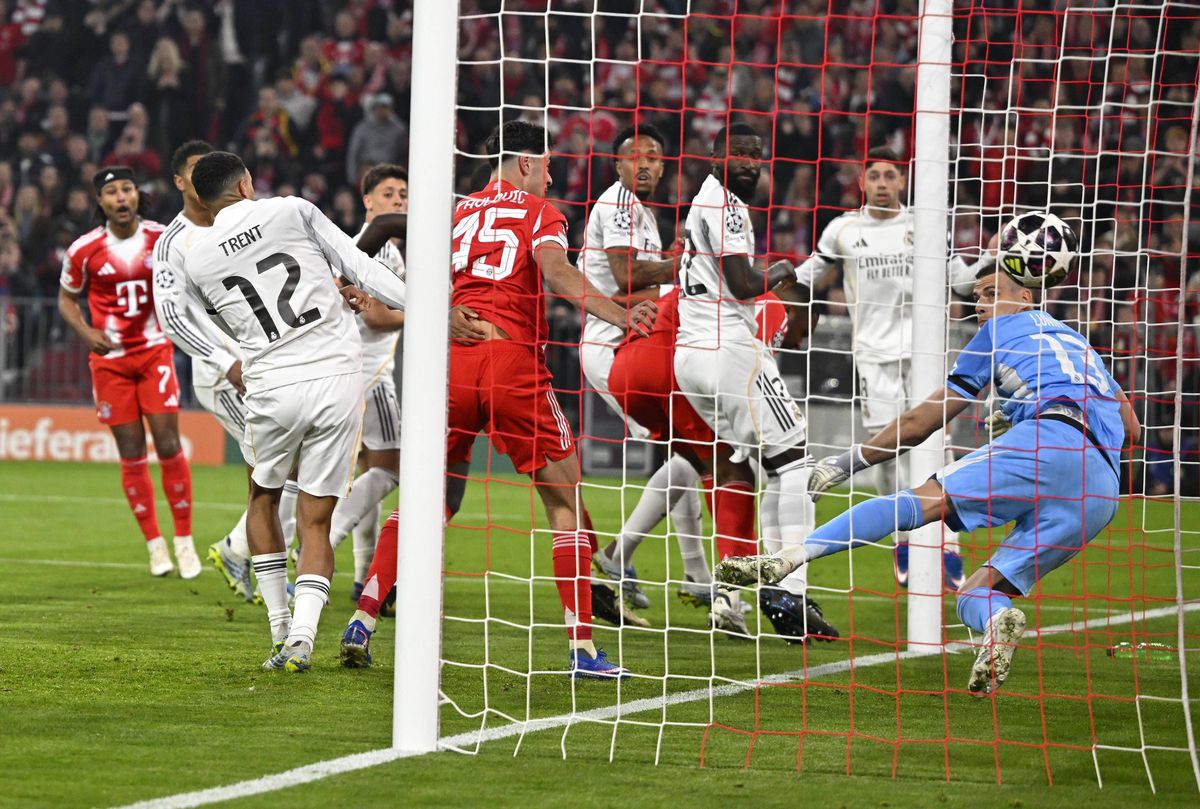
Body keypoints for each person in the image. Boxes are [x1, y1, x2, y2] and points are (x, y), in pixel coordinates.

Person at [716, 266, 1138, 695]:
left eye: (991, 293)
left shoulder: (996, 333)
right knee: (975, 593)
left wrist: (847, 463)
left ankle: (791, 558)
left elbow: (920, 424)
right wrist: (1022, 413)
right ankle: (998, 620)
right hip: (1102, 488)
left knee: (917, 504)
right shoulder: (1082, 346)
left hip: (1048, 441)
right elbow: (1132, 429)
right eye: (977, 296)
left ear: (1026, 297)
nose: (980, 305)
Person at [340, 121, 656, 679]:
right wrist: (620, 314)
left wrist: (392, 295)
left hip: (451, 367)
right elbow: (557, 273)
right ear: (527, 164)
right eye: (549, 165)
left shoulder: (455, 211)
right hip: (511, 363)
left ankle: (363, 617)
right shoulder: (541, 212)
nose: (551, 177)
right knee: (565, 502)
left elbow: (390, 235)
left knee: (429, 498)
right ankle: (583, 650)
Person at [177, 151, 409, 674]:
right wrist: (428, 304)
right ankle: (304, 635)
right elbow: (361, 267)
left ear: (203, 201)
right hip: (336, 376)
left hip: (271, 384)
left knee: (263, 496)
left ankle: (280, 630)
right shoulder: (291, 210)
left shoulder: (197, 258)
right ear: (245, 185)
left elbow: (232, 317)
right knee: (316, 518)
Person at [793, 146, 986, 589]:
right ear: (863, 183)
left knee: (938, 449)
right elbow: (807, 275)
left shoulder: (925, 225)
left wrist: (991, 260)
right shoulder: (843, 230)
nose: (882, 183)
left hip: (924, 354)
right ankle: (903, 539)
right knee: (883, 453)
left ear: (902, 181)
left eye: (889, 176)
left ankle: (948, 548)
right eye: (874, 176)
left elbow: (961, 281)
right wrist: (766, 284)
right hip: (872, 354)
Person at [671, 122, 825, 637]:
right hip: (728, 350)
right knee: (796, 463)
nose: (749, 163)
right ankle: (790, 589)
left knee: (771, 468)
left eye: (756, 155)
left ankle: (758, 585)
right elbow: (742, 285)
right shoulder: (727, 206)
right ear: (715, 157)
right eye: (738, 153)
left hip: (690, 357)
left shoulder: (704, 200)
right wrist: (780, 270)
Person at [58, 166, 199, 579]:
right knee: (131, 450)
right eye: (111, 192)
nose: (120, 198)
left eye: (126, 189)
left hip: (154, 352)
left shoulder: (162, 238)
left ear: (138, 195)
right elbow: (66, 299)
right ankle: (155, 545)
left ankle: (184, 540)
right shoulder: (84, 250)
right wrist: (86, 333)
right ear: (100, 202)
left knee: (168, 442)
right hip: (111, 361)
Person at [326, 163, 408, 598]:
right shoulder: (375, 250)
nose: (398, 201)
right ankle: (324, 539)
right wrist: (432, 310)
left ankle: (364, 578)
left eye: (403, 195)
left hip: (353, 370)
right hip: (370, 374)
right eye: (389, 194)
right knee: (391, 468)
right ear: (368, 201)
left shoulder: (384, 249)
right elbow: (376, 318)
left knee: (367, 472)